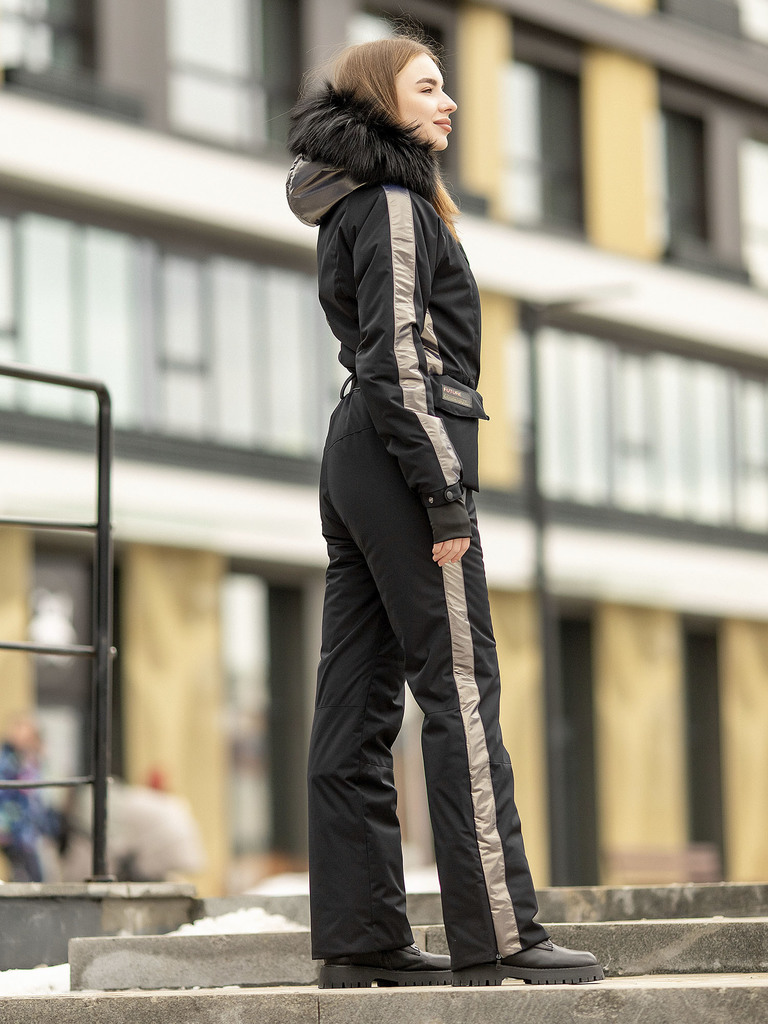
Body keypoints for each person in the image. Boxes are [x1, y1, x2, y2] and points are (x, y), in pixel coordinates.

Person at [286, 34, 603, 989]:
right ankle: (499, 936)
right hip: (402, 461)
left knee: (355, 703)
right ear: (382, 102)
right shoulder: (392, 204)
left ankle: (362, 942)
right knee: (460, 687)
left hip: (362, 453)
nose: (449, 102)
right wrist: (445, 494)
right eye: (428, 87)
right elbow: (399, 359)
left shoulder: (354, 200)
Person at [0, 714, 60, 882]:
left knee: (41, 874)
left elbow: (45, 796)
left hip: (37, 830)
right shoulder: (7, 761)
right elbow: (6, 797)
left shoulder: (36, 760)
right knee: (25, 874)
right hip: (16, 831)